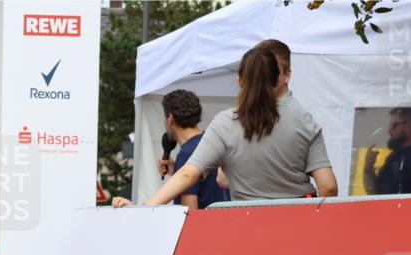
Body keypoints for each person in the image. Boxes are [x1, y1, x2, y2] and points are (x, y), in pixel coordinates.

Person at [114, 46, 338, 206]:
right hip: (299, 222)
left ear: (239, 80)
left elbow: (188, 176)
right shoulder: (304, 119)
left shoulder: (226, 122)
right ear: (279, 78)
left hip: (246, 224)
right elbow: (328, 187)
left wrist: (144, 208)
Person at [158, 89, 229, 209]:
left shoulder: (186, 154)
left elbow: (189, 212)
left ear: (170, 118)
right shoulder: (213, 141)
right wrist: (176, 169)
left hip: (206, 226)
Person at [363, 107, 411, 195]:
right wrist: (368, 169)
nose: (389, 130)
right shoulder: (395, 157)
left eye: (394, 125)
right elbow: (376, 194)